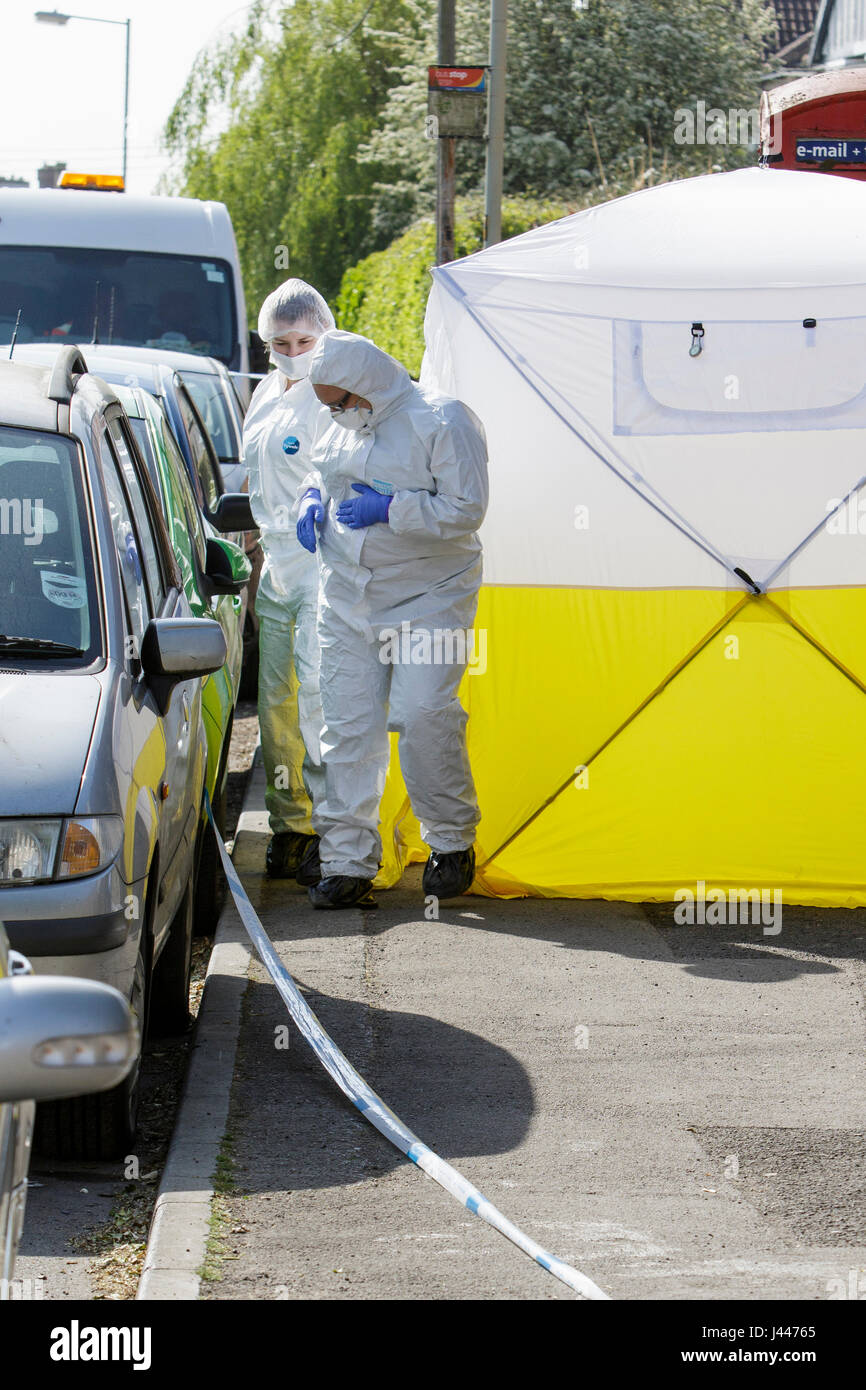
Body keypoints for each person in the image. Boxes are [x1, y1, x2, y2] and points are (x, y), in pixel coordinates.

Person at [295, 329, 489, 910]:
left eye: (340, 402)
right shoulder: (340, 422)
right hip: (347, 599)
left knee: (425, 715)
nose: (334, 413)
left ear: (366, 386)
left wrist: (392, 509)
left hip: (430, 595)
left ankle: (451, 842)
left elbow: (466, 509)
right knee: (347, 728)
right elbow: (318, 471)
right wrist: (310, 501)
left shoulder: (444, 420)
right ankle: (347, 861)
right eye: (327, 405)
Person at [243, 278, 333, 880]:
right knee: (276, 703)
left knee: (321, 700)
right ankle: (291, 827)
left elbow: (348, 467)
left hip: (324, 563)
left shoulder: (331, 395)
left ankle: (334, 832)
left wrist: (319, 502)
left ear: (323, 335)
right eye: (281, 341)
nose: (293, 350)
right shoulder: (262, 397)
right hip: (275, 564)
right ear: (265, 341)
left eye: (304, 339)